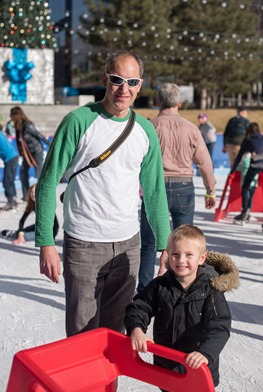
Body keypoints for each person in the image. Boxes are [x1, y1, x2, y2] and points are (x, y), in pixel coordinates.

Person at [35, 50, 171, 337]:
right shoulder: (78, 121)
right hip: (84, 243)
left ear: (140, 84)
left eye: (132, 81)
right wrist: (46, 242)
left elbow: (155, 192)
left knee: (115, 335)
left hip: (127, 246)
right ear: (105, 79)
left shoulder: (145, 130)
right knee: (82, 334)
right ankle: (83, 385)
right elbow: (47, 183)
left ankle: (107, 385)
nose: (125, 88)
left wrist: (163, 245)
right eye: (117, 79)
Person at [125, 224, 240, 392]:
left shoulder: (210, 290)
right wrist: (136, 329)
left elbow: (219, 326)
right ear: (167, 255)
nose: (181, 260)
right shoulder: (160, 285)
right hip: (167, 366)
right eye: (175, 254)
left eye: (189, 255)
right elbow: (139, 307)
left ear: (202, 258)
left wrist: (206, 354)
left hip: (197, 368)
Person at [137, 83, 216, 292]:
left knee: (148, 244)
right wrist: (210, 190)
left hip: (156, 188)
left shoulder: (150, 127)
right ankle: (179, 287)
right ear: (180, 103)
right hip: (183, 188)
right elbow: (205, 162)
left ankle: (145, 289)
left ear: (157, 102)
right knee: (184, 245)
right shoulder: (191, 128)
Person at [10, 106, 50, 201]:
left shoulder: (28, 125)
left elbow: (38, 135)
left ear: (17, 115)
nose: (10, 117)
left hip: (36, 151)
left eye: (12, 115)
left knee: (39, 174)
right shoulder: (18, 127)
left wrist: (50, 144)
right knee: (23, 173)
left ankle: (42, 195)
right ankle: (26, 196)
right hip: (27, 154)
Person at [230, 122, 263, 224]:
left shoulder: (247, 139)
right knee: (253, 185)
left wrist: (233, 170)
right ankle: (248, 209)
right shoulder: (262, 138)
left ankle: (245, 211)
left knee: (245, 187)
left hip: (255, 165)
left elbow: (239, 156)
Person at [0, 124, 19, 211]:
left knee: (6, 182)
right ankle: (14, 199)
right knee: (10, 180)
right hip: (13, 157)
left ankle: (11, 202)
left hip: (10, 158)